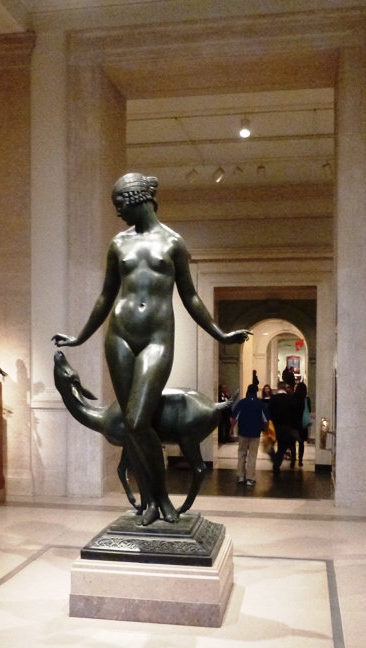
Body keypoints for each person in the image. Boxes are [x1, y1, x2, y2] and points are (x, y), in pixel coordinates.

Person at [53, 173, 250, 525]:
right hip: (119, 336)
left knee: (138, 419)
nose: (118, 213)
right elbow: (105, 296)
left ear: (137, 199)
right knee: (131, 426)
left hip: (157, 339)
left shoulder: (173, 243)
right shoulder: (118, 244)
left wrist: (219, 334)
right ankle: (149, 501)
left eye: (120, 205)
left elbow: (190, 297)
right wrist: (80, 337)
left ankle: (161, 497)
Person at [231, 384, 266, 486]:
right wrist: (266, 429)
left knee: (241, 453)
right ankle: (250, 478)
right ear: (256, 392)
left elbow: (234, 418)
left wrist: (231, 429)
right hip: (255, 433)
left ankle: (240, 476)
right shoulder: (260, 403)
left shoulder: (242, 402)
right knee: (252, 455)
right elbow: (266, 420)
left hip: (243, 432)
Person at [268, 380, 299, 473]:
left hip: (274, 426)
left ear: (278, 387)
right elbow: (294, 414)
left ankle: (275, 460)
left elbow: (269, 412)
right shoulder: (290, 398)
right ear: (285, 388)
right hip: (286, 426)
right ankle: (277, 463)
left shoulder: (273, 398)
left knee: (270, 445)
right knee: (282, 446)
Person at [293, 381, 311, 468]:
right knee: (301, 443)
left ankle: (293, 460)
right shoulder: (306, 399)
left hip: (294, 423)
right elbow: (309, 410)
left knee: (292, 442)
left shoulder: (293, 397)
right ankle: (300, 460)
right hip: (302, 424)